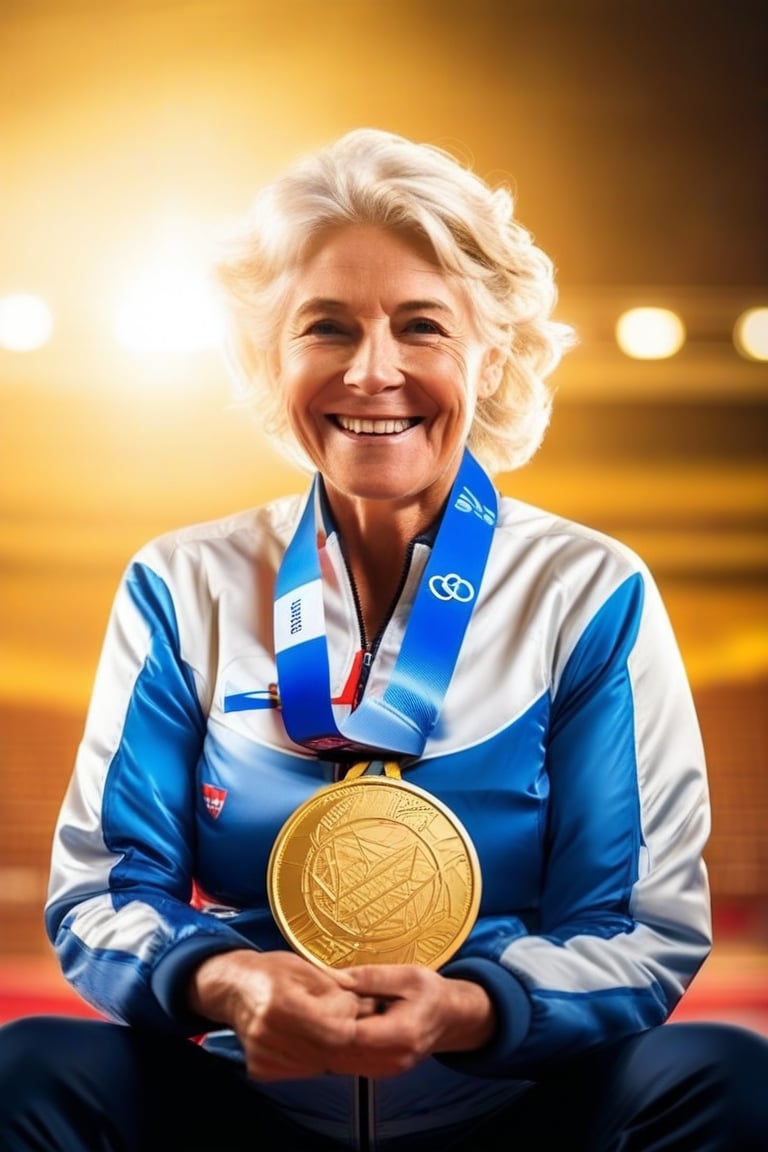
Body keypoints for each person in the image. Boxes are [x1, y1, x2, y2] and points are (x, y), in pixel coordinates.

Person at [0, 127, 766, 1152]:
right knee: (33, 1069)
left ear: (490, 352)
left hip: (511, 1102)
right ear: (269, 358)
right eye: (326, 328)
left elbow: (634, 924)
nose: (372, 373)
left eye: (420, 326)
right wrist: (229, 981)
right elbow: (103, 891)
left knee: (727, 1080)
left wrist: (470, 1010)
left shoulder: (589, 591)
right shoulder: (181, 585)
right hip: (248, 1095)